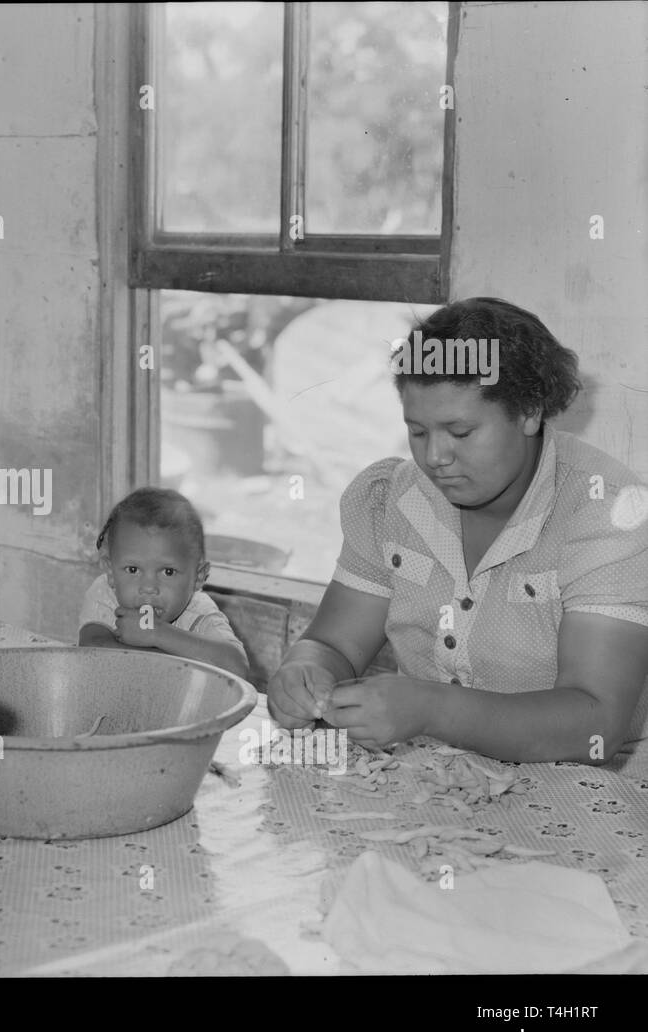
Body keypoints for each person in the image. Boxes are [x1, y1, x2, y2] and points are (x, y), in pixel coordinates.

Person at [268, 297, 648, 766]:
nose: (435, 458)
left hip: (589, 794)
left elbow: (595, 724)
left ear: (529, 410)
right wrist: (305, 671)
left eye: (461, 432)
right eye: (418, 431)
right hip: (432, 779)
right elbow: (333, 645)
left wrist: (431, 709)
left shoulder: (604, 511)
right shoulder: (392, 501)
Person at [79, 486, 250, 677]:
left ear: (198, 577)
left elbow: (237, 668)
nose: (149, 588)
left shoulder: (199, 611)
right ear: (110, 570)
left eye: (168, 572)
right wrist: (185, 659)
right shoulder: (105, 594)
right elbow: (94, 649)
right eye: (133, 570)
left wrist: (157, 633)